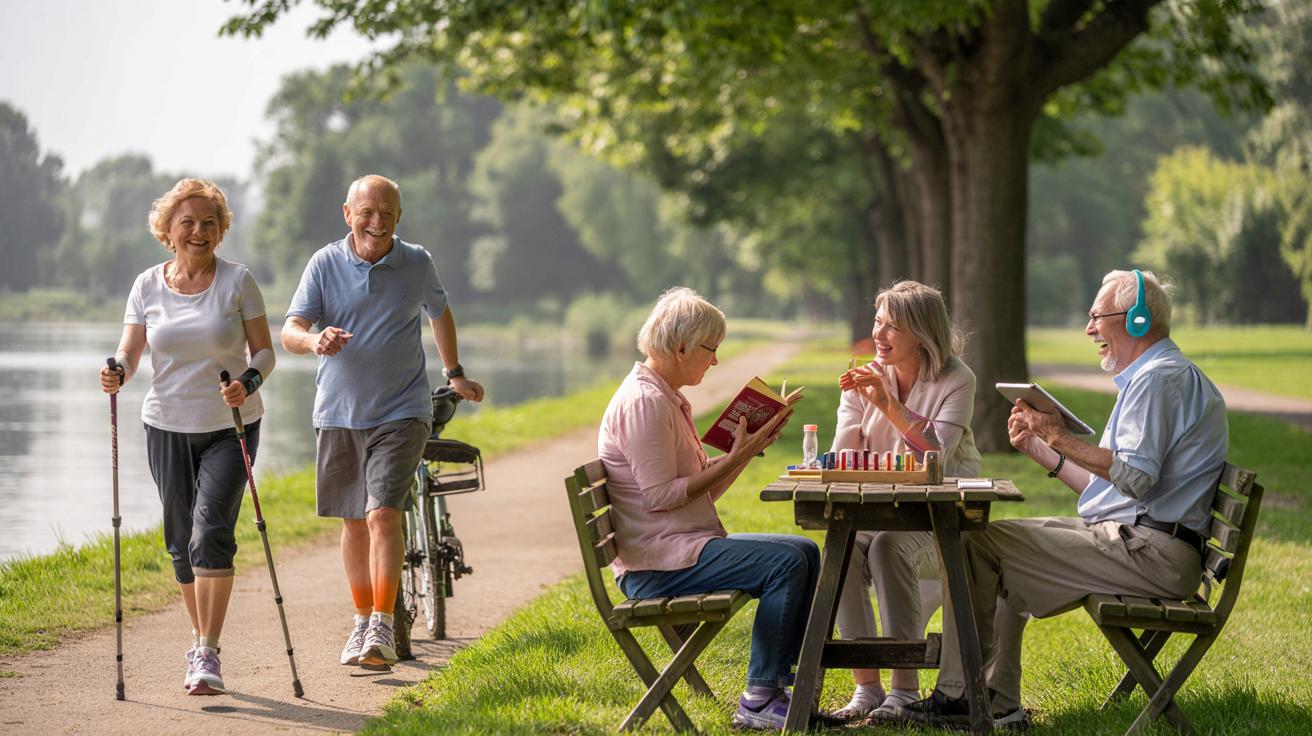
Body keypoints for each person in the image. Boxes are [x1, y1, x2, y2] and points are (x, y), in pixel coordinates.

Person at [899, 269, 1227, 729]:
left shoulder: (1160, 381)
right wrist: (1042, 448)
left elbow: (1133, 477)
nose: (1090, 329)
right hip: (1144, 541)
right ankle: (998, 698)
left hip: (1151, 554)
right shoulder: (1157, 378)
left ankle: (958, 698)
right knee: (989, 540)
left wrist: (1057, 433)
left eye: (1097, 317)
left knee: (975, 546)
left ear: (1135, 321)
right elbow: (1115, 490)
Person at [281, 174, 484, 668]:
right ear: (347, 213)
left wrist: (454, 372)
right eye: (367, 212)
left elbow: (440, 312)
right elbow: (290, 329)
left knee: (382, 514)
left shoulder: (417, 261)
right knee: (353, 522)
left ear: (399, 216)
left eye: (387, 212)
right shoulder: (325, 264)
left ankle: (382, 626)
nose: (377, 221)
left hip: (403, 410)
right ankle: (360, 620)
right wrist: (314, 342)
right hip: (338, 413)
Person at [598, 287, 816, 731]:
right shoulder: (644, 403)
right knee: (788, 562)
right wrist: (736, 457)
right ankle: (760, 696)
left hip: (678, 548)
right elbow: (660, 496)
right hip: (655, 566)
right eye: (711, 349)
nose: (715, 361)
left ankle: (776, 685)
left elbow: (698, 494)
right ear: (681, 347)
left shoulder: (663, 397)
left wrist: (748, 450)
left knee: (805, 551)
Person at [98, 178, 274, 695]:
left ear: (221, 231)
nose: (199, 231)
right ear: (168, 230)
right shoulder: (146, 285)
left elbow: (264, 352)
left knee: (210, 533)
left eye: (209, 223)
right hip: (166, 425)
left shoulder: (239, 281)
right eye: (188, 222)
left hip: (231, 424)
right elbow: (130, 351)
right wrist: (118, 370)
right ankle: (198, 638)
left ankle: (208, 652)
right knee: (180, 543)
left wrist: (249, 381)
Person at [828, 280, 990, 720]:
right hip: (874, 507)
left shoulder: (956, 378)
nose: (879, 335)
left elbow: (935, 453)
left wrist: (887, 405)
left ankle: (904, 687)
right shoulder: (865, 375)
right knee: (839, 549)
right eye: (877, 322)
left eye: (892, 327)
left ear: (922, 333)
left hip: (935, 513)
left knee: (886, 545)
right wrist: (858, 402)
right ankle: (867, 688)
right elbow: (844, 457)